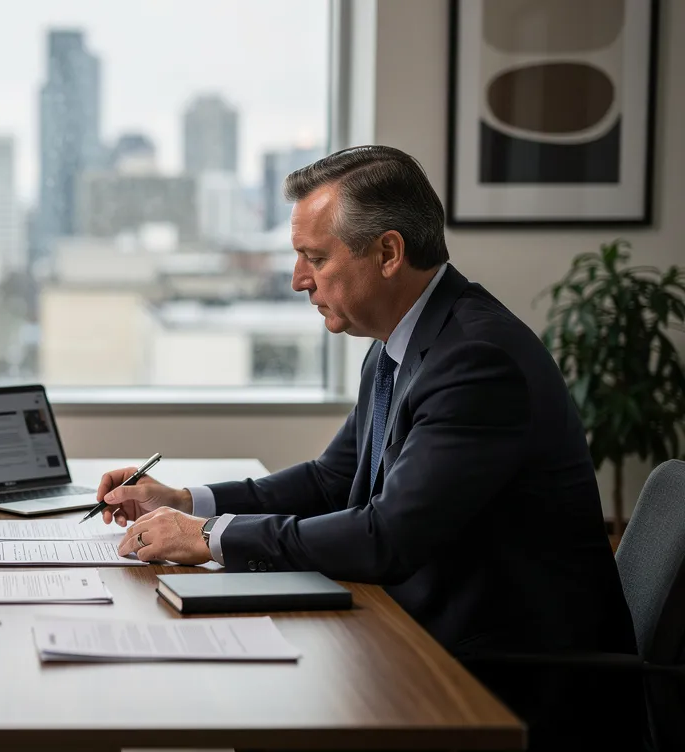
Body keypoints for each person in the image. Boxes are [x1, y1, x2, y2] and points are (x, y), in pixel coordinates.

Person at [98, 146, 642, 750]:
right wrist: (185, 500)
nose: (300, 280)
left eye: (315, 258)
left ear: (387, 253)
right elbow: (334, 479)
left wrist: (206, 537)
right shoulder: (399, 345)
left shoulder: (476, 362)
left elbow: (388, 536)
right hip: (422, 639)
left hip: (504, 682)